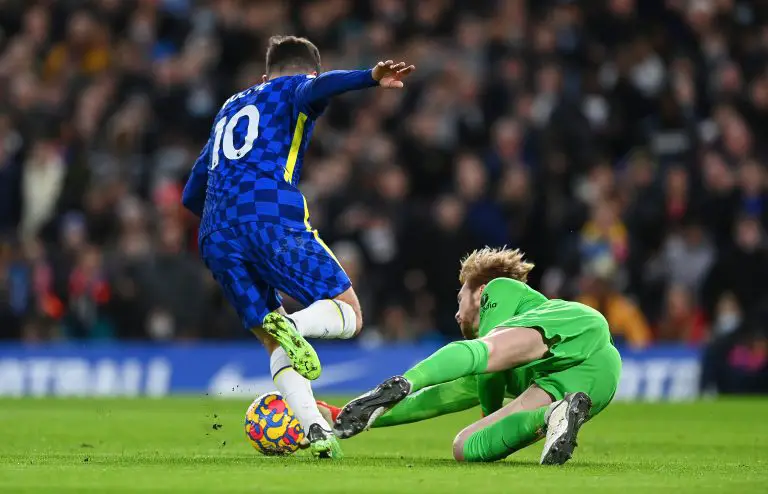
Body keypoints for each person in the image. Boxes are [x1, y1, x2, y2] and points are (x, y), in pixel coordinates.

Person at [181, 35, 414, 458]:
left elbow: (191, 193)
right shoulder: (293, 88)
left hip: (215, 231)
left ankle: (316, 432)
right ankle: (296, 326)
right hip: (269, 215)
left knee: (271, 339)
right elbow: (318, 88)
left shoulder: (229, 107)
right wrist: (370, 77)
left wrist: (227, 221)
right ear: (310, 70)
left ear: (264, 73)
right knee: (349, 313)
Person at [332, 247, 622, 464]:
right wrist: (350, 416)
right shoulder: (486, 374)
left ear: (480, 291)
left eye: (460, 300)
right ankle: (553, 416)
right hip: (594, 379)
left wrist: (490, 414)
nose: (457, 314)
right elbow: (430, 402)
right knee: (464, 446)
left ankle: (405, 380)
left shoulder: (500, 288)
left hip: (577, 328)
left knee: (486, 351)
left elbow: (489, 360)